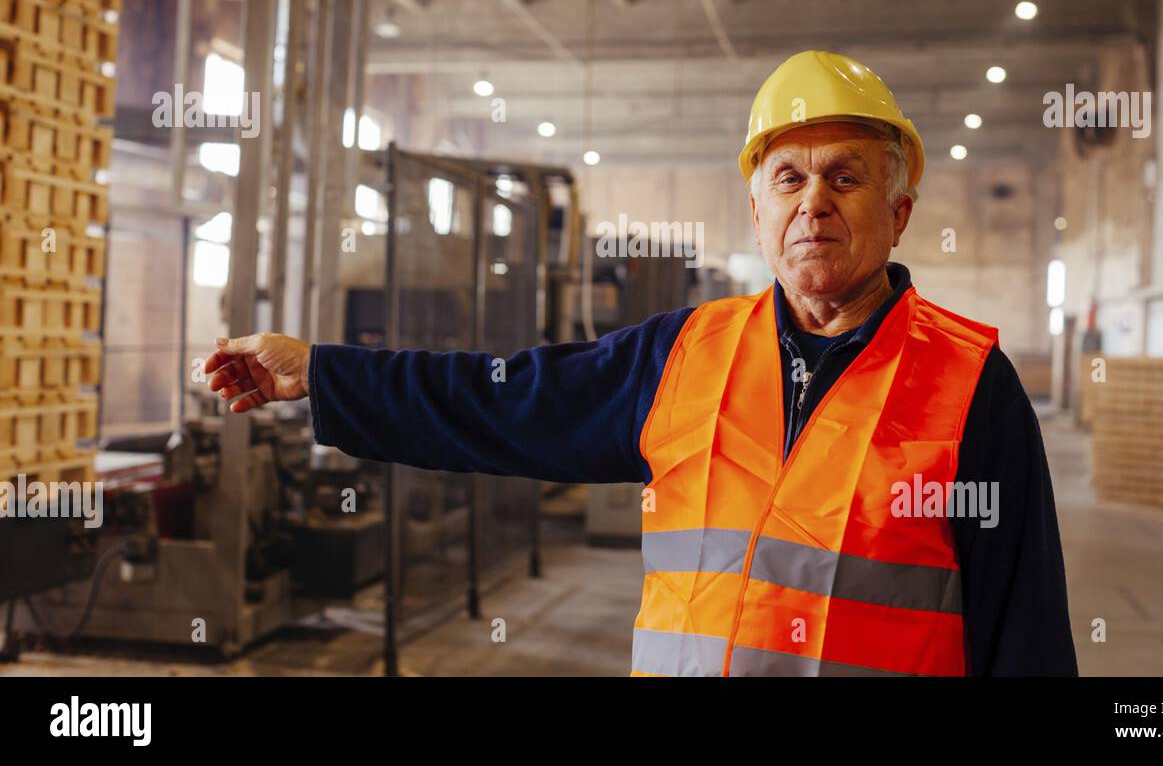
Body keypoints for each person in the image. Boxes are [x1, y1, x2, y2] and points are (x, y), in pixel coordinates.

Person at [204, 50, 1077, 677]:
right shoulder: (684, 354)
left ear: (901, 211)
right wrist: (320, 371)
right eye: (788, 180)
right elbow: (498, 402)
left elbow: (1026, 631)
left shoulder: (969, 386)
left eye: (845, 179)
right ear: (756, 208)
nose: (814, 204)